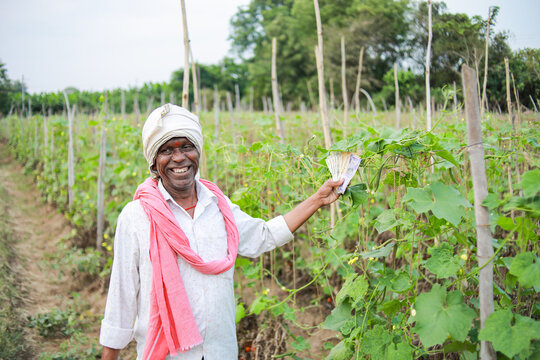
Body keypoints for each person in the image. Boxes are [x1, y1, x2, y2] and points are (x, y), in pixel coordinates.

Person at [100, 104, 344, 360]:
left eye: (187, 147)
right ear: (153, 162)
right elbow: (121, 298)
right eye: (166, 150)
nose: (179, 158)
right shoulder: (137, 216)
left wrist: (317, 200)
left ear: (198, 152)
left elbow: (264, 235)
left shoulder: (218, 206)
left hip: (220, 351)